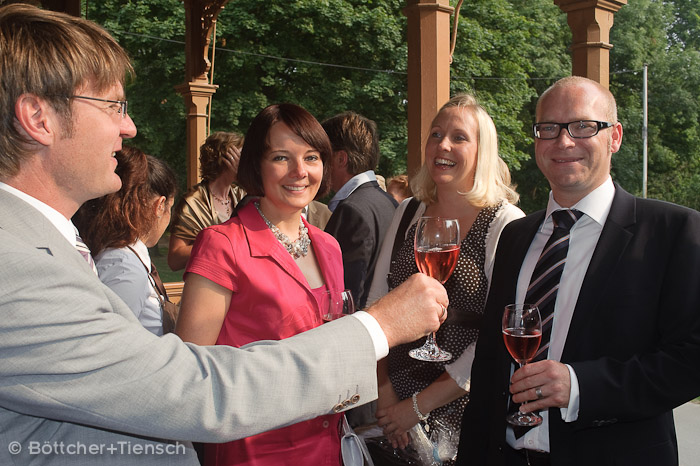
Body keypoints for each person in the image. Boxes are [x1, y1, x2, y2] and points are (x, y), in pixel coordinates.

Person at [0, 5, 449, 465]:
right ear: (39, 117)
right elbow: (191, 386)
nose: (129, 126)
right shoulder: (17, 268)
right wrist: (381, 326)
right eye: (113, 105)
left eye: (313, 156)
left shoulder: (326, 243)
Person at [456, 76, 700, 466]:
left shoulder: (674, 233)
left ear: (615, 136)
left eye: (583, 126)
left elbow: (691, 360)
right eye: (548, 128)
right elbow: (489, 366)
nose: (563, 142)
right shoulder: (516, 236)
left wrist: (581, 386)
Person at [175, 102, 348, 465]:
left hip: (325, 442)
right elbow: (192, 368)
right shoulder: (223, 244)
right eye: (282, 157)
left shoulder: (329, 246)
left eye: (312, 157)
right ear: (256, 165)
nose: (300, 171)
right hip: (256, 447)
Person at [366, 94, 524, 465]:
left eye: (459, 137)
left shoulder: (505, 222)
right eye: (436, 134)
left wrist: (417, 407)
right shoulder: (408, 212)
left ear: (483, 150)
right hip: (393, 408)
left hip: (465, 408)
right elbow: (376, 302)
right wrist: (386, 395)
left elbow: (498, 333)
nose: (443, 145)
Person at [73, 146, 178, 335]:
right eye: (171, 206)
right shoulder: (125, 266)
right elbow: (110, 341)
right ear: (160, 205)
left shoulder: (125, 257)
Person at [322, 111, 398, 309]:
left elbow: (348, 294)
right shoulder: (388, 201)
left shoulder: (351, 210)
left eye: (321, 156)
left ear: (341, 159)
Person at [168, 131, 246, 271]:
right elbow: (174, 259)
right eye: (241, 157)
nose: (247, 163)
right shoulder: (193, 202)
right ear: (225, 160)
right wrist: (216, 243)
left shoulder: (242, 195)